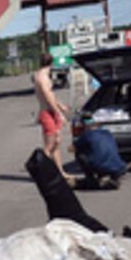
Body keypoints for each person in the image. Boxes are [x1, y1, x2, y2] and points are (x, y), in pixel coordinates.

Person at [33, 53, 73, 186]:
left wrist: (60, 106)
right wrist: (59, 113)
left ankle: (60, 172)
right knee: (51, 144)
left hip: (50, 111)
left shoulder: (40, 75)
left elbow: (51, 95)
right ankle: (39, 171)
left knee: (56, 145)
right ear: (52, 63)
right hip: (48, 113)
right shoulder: (43, 77)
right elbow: (48, 96)